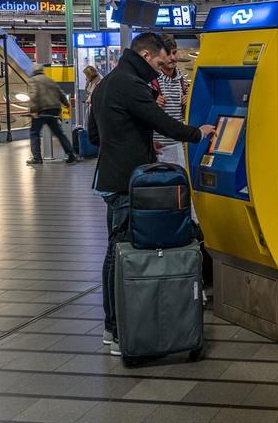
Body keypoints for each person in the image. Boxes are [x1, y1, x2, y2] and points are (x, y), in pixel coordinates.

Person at [88, 32, 215, 356]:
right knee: (122, 256)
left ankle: (111, 327)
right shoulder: (131, 84)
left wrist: (141, 142)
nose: (161, 67)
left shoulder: (106, 82)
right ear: (145, 56)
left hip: (111, 178)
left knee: (114, 253)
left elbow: (94, 135)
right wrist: (198, 133)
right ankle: (121, 333)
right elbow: (165, 123)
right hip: (127, 183)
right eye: (159, 61)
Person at [26, 64, 76, 165]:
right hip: (54, 109)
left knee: (34, 132)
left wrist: (33, 110)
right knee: (58, 132)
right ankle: (70, 153)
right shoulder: (49, 79)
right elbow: (60, 92)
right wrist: (66, 103)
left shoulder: (33, 80)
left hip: (41, 110)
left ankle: (37, 158)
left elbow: (34, 95)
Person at [153, 34, 189, 166]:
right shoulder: (151, 81)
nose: (173, 58)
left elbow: (185, 115)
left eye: (174, 52)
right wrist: (151, 103)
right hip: (157, 148)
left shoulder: (182, 81)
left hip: (178, 147)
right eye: (168, 54)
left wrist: (189, 102)